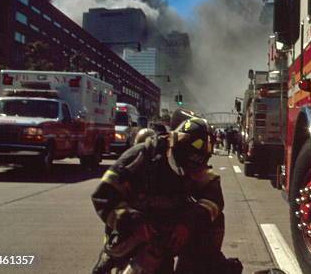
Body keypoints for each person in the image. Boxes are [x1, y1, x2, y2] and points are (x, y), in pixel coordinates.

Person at [91, 116, 242, 274]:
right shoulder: (142, 156)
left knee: (213, 223)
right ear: (178, 146)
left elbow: (213, 197)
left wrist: (188, 222)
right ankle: (113, 261)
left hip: (170, 230)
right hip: (134, 228)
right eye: (190, 163)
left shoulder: (196, 166)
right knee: (140, 258)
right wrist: (133, 222)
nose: (192, 172)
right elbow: (103, 194)